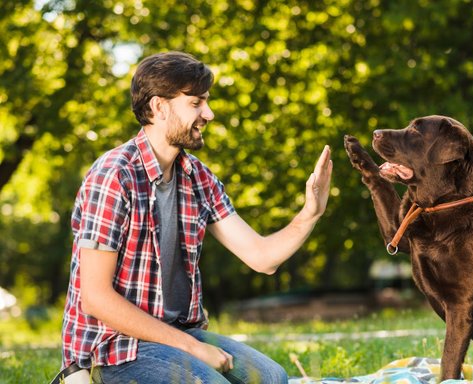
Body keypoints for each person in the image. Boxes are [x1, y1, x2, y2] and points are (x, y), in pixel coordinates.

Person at [58, 51, 333, 384]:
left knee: (273, 378)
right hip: (114, 348)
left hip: (174, 335)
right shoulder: (115, 176)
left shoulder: (197, 177)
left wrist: (310, 213)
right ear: (159, 107)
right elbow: (96, 297)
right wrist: (191, 347)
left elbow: (263, 258)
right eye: (196, 103)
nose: (209, 114)